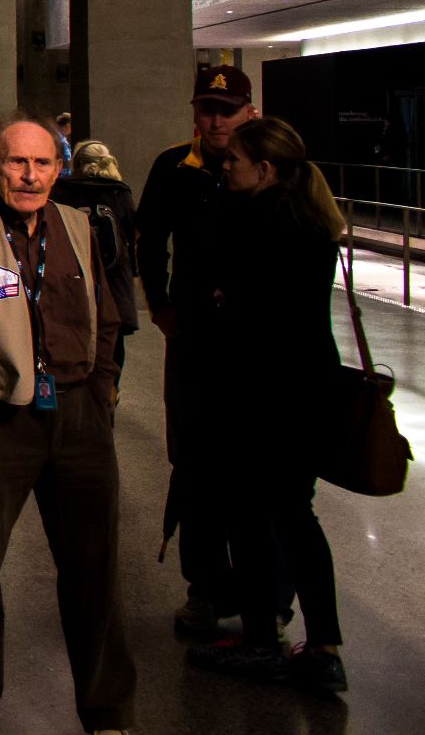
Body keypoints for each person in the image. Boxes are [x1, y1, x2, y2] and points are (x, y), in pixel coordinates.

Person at [0, 110, 134, 735]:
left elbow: (108, 315)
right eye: (18, 161)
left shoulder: (80, 228)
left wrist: (100, 393)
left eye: (43, 163)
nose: (31, 175)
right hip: (0, 421)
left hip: (78, 418)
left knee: (96, 571)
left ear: (60, 169)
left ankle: (108, 713)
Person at [186, 117, 348, 692]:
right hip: (308, 391)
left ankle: (261, 640)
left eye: (235, 160)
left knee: (251, 518)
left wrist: (223, 296)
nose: (225, 166)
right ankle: (324, 645)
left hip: (256, 394)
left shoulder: (252, 219)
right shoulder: (313, 221)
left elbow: (227, 296)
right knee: (298, 517)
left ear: (267, 167)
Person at [133, 63, 269, 633]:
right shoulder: (174, 167)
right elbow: (150, 240)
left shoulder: (270, 169)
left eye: (226, 111)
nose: (214, 121)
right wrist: (160, 306)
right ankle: (205, 587)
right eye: (206, 110)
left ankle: (265, 596)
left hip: (254, 344)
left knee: (255, 468)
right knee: (193, 462)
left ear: (249, 113)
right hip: (192, 337)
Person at [51, 140, 140, 379]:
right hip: (114, 281)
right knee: (113, 338)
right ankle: (110, 389)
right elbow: (134, 236)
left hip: (73, 278)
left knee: (75, 333)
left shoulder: (62, 192)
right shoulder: (119, 192)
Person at [55, 112, 75, 178]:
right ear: (68, 126)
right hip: (62, 177)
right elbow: (67, 161)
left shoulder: (60, 139)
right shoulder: (60, 140)